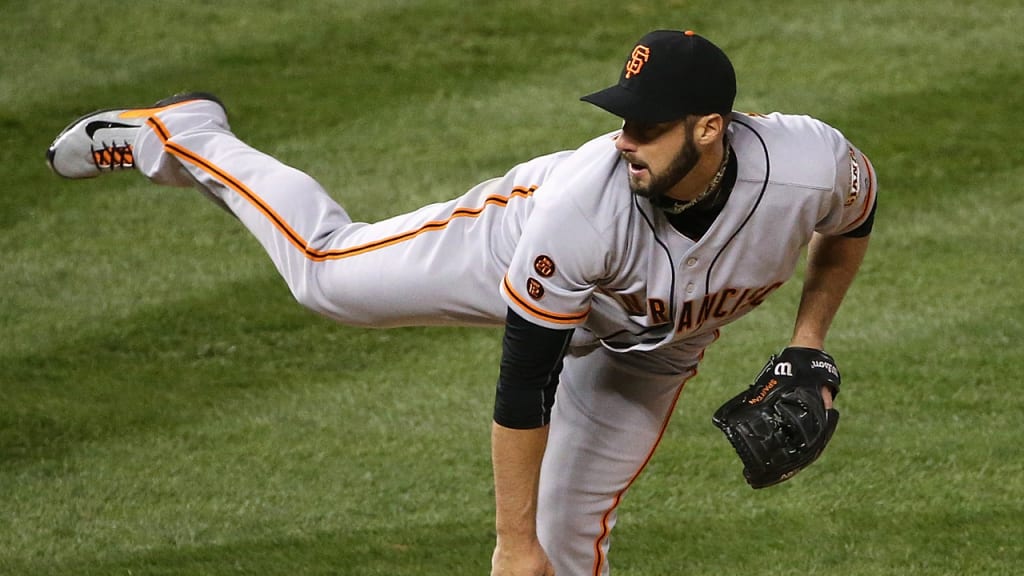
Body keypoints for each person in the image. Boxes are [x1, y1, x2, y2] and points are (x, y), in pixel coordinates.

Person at [47, 29, 876, 576]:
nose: (624, 139)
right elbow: (525, 385)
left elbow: (856, 214)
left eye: (646, 127)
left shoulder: (809, 166)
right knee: (325, 276)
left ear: (709, 128)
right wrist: (509, 545)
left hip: (645, 356)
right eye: (622, 121)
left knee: (568, 542)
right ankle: (185, 135)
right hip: (513, 254)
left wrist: (809, 343)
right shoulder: (581, 208)